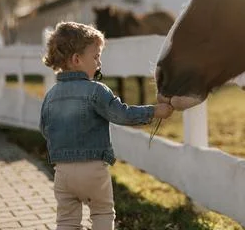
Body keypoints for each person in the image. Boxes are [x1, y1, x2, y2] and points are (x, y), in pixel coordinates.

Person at [39, 21, 173, 230]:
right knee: (102, 213)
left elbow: (45, 129)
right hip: (93, 170)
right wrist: (155, 111)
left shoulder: (50, 96)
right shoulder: (96, 91)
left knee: (66, 221)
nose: (99, 63)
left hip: (62, 172)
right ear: (76, 59)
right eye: (95, 56)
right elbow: (122, 115)